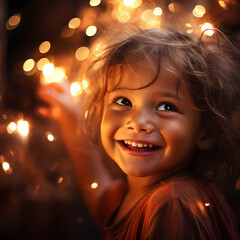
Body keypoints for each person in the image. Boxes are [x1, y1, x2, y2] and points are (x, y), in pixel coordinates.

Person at [37, 27, 240, 239]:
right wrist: (70, 118)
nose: (137, 122)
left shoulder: (173, 202)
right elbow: (100, 200)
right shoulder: (132, 194)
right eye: (123, 101)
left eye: (166, 107)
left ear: (205, 133)